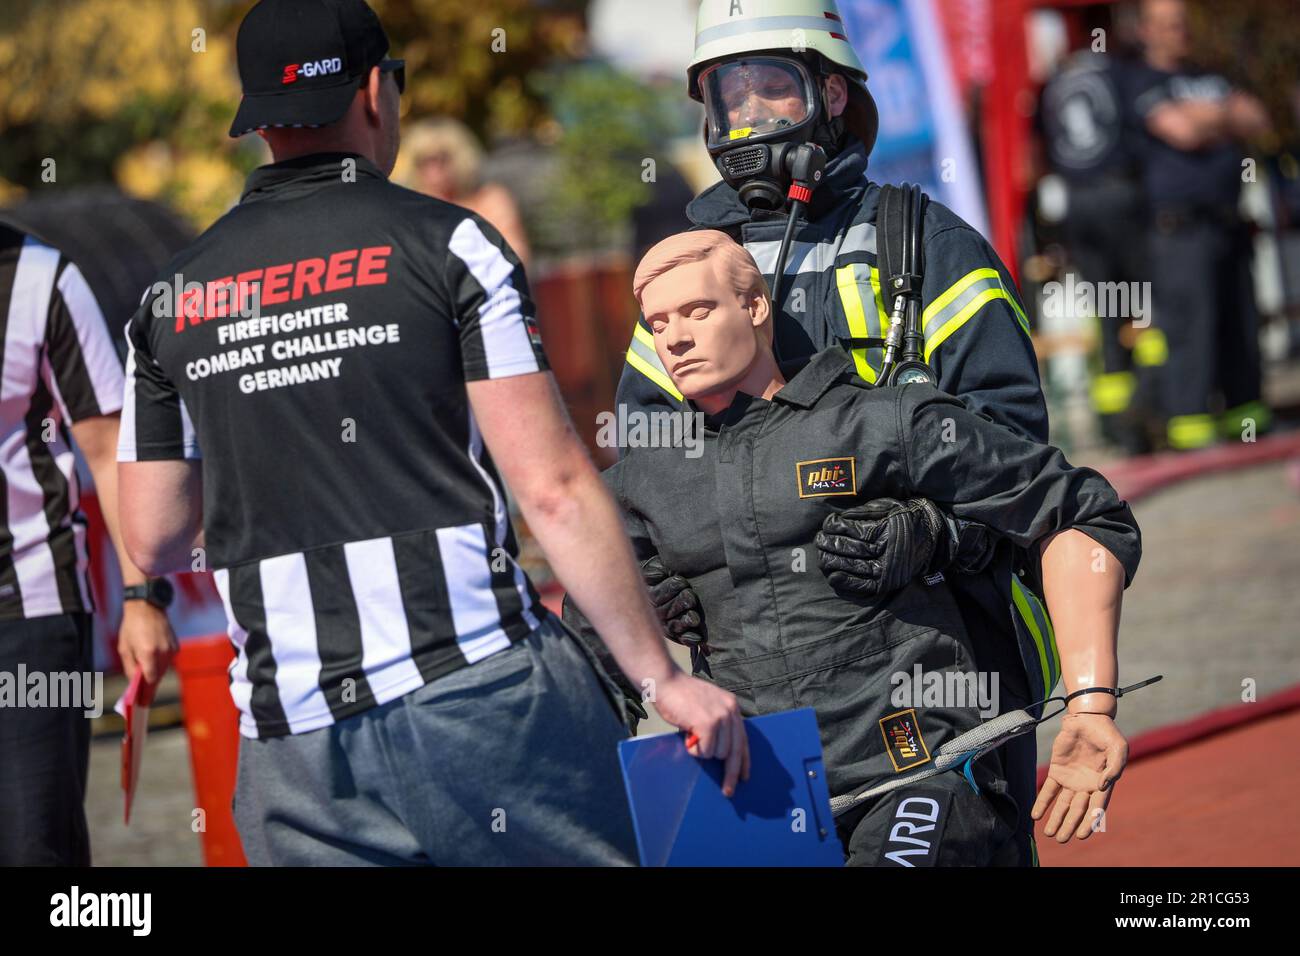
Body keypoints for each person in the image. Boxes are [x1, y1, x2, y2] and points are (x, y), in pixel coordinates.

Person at [116, 0, 747, 867]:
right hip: (477, 693)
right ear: (376, 91)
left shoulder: (170, 297)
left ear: (256, 118)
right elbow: (553, 489)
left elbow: (150, 537)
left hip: (291, 737)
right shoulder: (449, 244)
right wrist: (661, 678)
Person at [596, 0, 1055, 867]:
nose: (750, 118)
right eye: (728, 98)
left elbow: (1020, 454)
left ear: (832, 95)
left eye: (775, 89)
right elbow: (645, 465)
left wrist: (935, 533)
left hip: (940, 677)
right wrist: (654, 579)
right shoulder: (689, 276)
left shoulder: (924, 246)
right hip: (762, 713)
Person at [569, 230, 1142, 865]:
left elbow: (1081, 514)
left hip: (919, 767)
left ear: (755, 307)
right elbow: (585, 637)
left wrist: (1090, 707)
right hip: (757, 791)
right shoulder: (643, 482)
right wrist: (635, 614)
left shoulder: (884, 422)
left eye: (697, 311)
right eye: (658, 323)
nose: (675, 337)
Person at [0, 223, 176, 866]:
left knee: (33, 848)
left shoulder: (41, 279)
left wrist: (142, 596)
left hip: (28, 612)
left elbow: (109, 450)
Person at [1129, 0, 1272, 450]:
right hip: (1180, 231)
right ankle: (1191, 434)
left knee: (1242, 329)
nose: (1180, 33)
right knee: (1192, 333)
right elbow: (1181, 132)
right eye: (1169, 26)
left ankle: (1247, 424)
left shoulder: (1213, 73)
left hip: (1228, 223)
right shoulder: (1140, 81)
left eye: (1183, 24)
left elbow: (1258, 118)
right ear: (1148, 29)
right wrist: (1223, 115)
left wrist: (1208, 114)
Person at [404, 118, 532, 269]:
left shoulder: (491, 200)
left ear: (462, 157)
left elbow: (515, 257)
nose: (434, 171)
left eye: (442, 159)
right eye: (423, 161)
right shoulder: (412, 212)